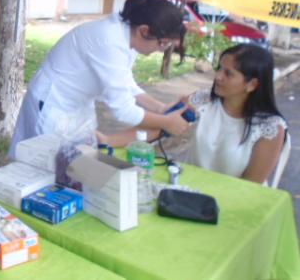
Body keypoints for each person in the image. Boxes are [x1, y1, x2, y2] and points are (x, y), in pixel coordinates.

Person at [9, 0, 190, 157]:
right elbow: (122, 110)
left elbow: (123, 81)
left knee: (74, 166)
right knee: (44, 167)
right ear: (144, 30)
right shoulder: (109, 41)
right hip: (53, 104)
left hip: (76, 105)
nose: (161, 50)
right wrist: (165, 122)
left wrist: (160, 108)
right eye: (163, 44)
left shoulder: (127, 35)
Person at [98, 44, 287, 184]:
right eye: (219, 68)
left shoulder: (270, 129)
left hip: (234, 204)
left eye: (228, 73)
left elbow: (250, 186)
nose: (218, 76)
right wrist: (107, 140)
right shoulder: (201, 100)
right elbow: (159, 127)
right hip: (189, 190)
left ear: (252, 84)